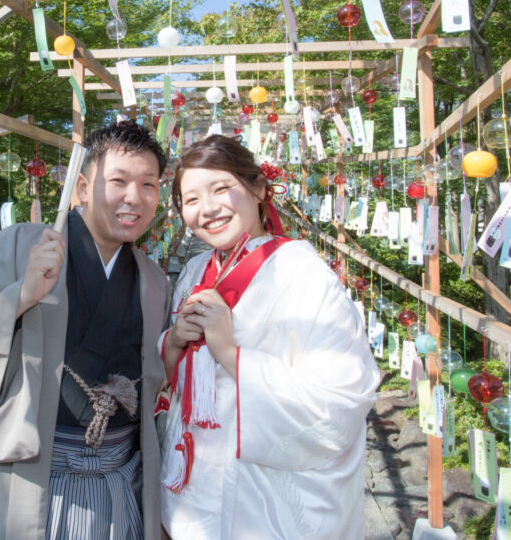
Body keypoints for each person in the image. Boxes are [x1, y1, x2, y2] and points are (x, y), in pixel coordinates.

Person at [0, 121, 171, 539]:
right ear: (83, 188)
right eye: (118, 181)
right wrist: (21, 294)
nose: (134, 198)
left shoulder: (153, 280)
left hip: (120, 483)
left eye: (148, 184)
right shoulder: (22, 247)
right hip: (29, 479)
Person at [157, 135, 379, 539]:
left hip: (264, 503)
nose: (207, 209)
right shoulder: (194, 272)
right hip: (191, 490)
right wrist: (172, 344)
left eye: (221, 188)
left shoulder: (303, 275)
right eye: (190, 200)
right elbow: (174, 386)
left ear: (259, 189)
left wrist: (230, 354)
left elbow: (343, 398)